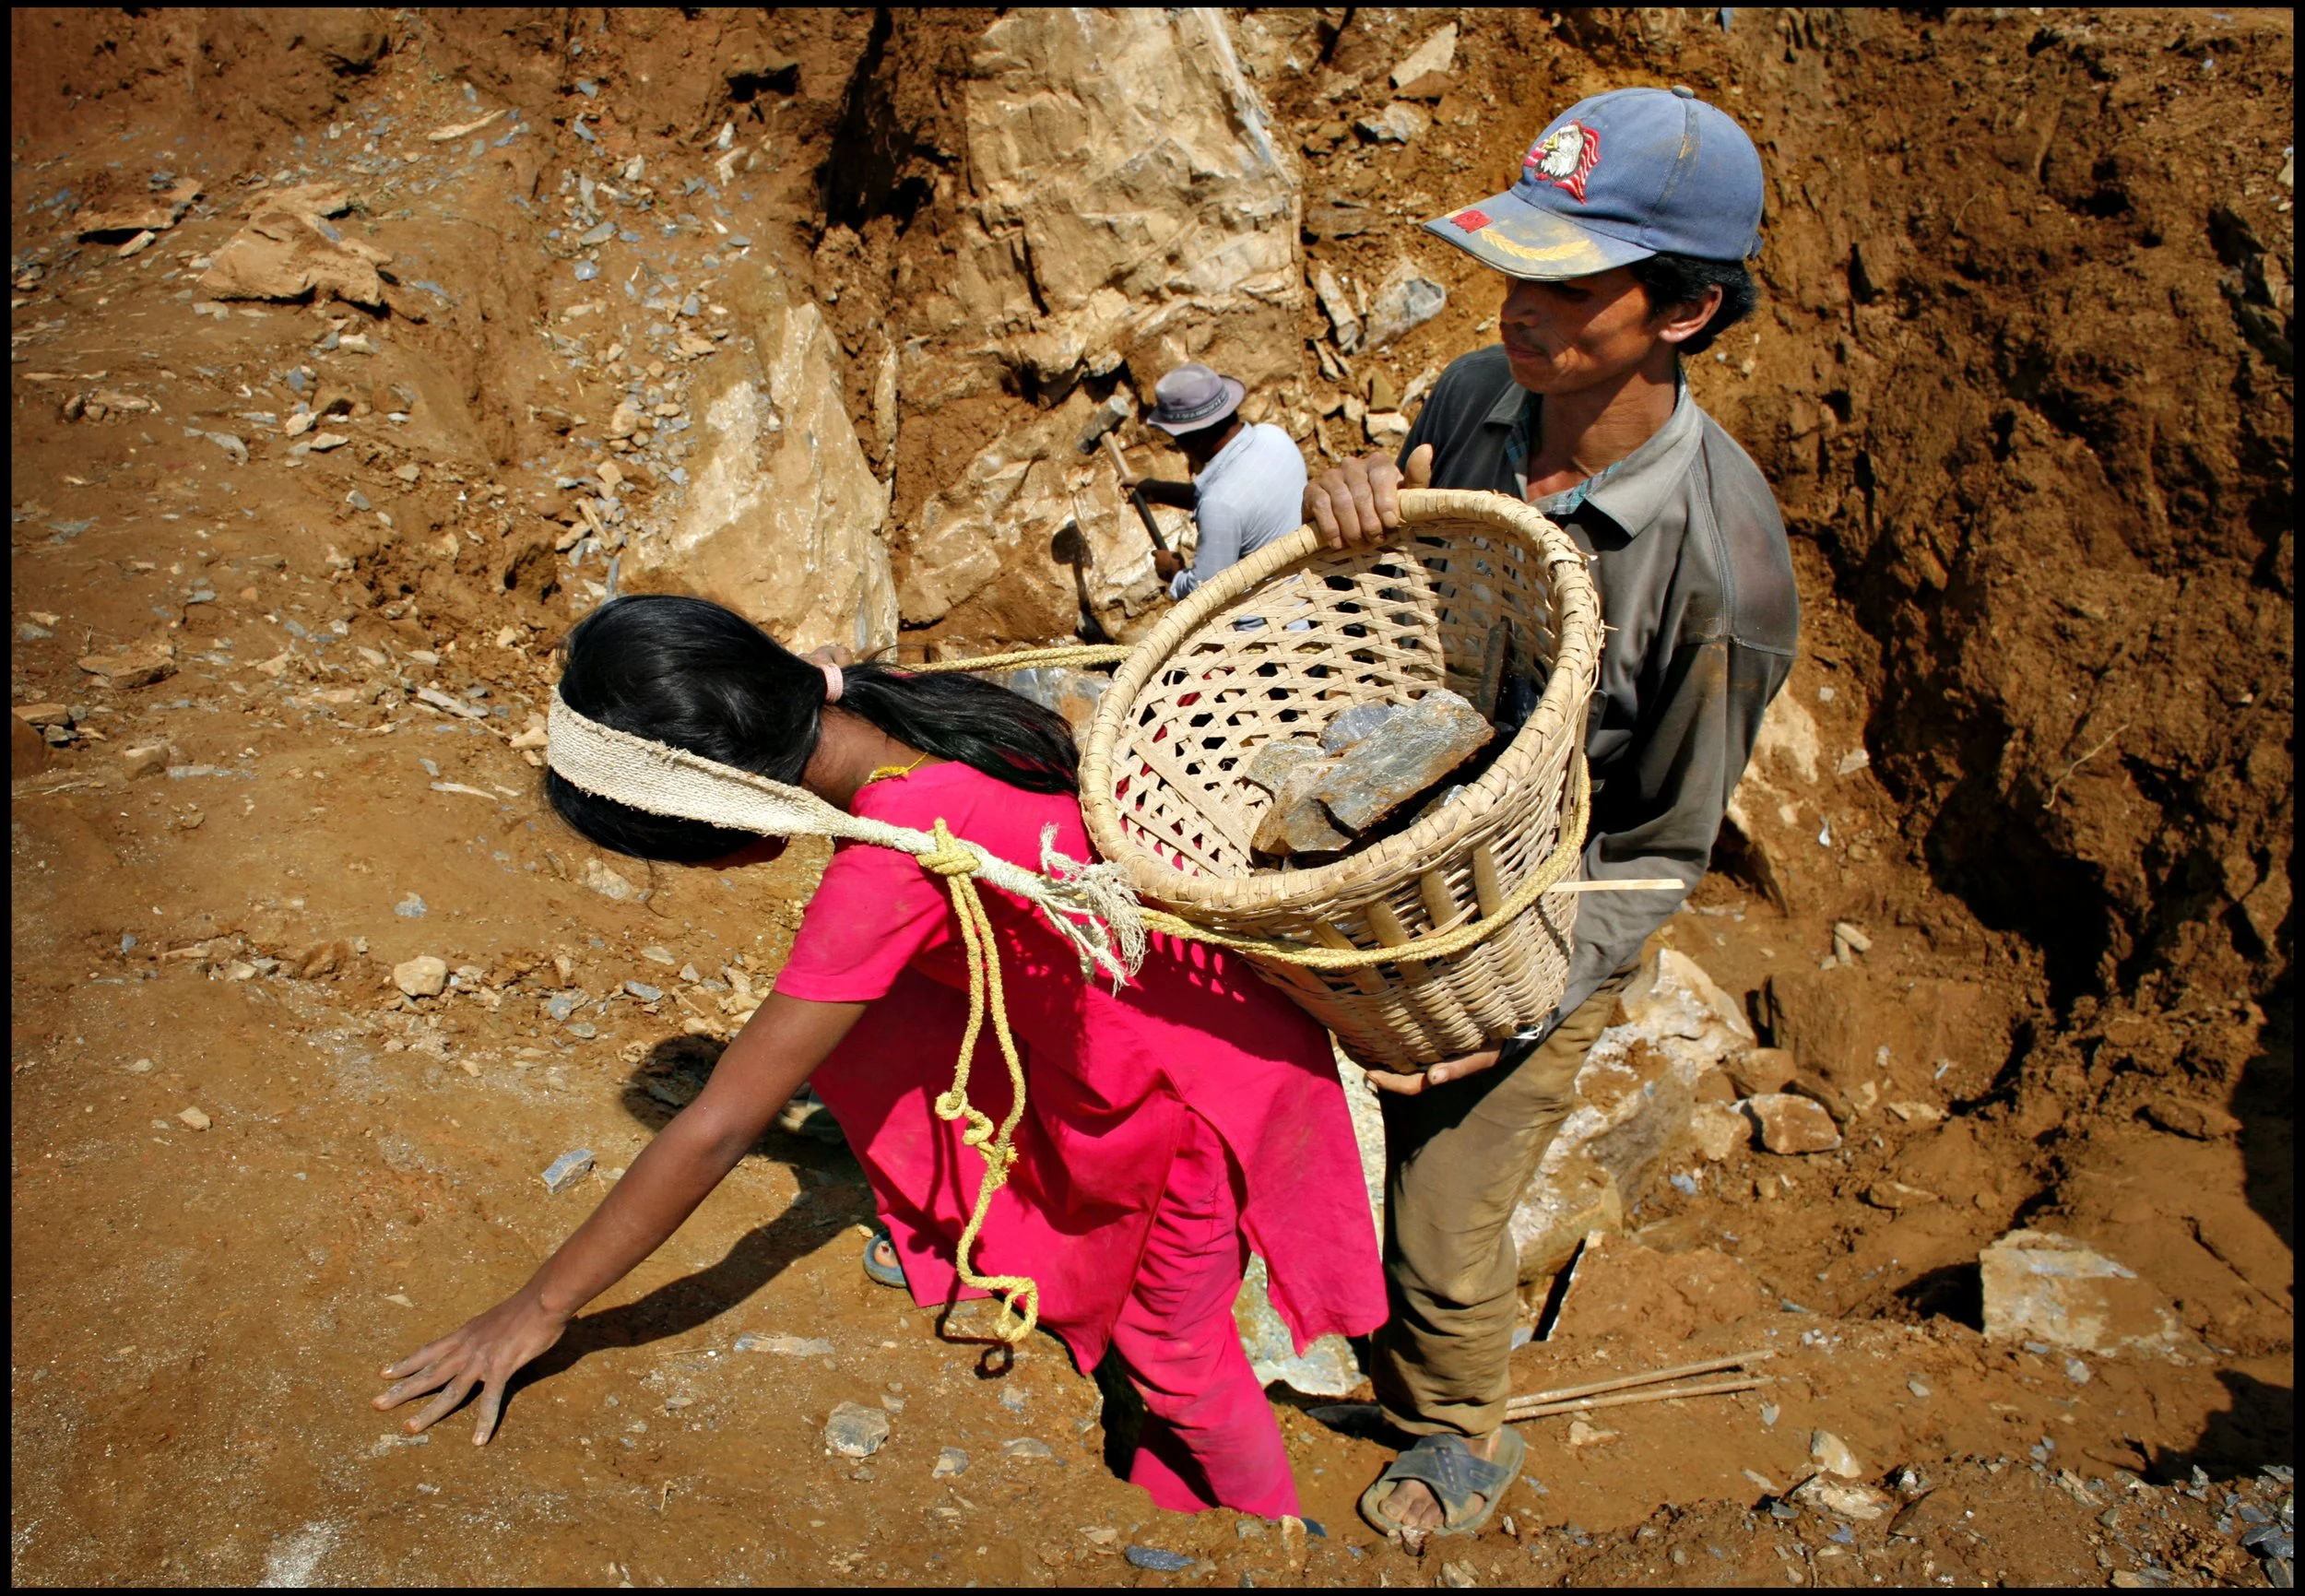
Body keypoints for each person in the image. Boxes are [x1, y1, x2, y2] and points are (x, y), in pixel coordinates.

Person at [368, 594, 1386, 1520]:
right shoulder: (906, 713)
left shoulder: (892, 862)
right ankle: (1176, 1489)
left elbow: (720, 1123)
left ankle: (1271, 1531)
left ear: (712, 799)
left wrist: (538, 1309)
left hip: (1193, 1097)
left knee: (1175, 1355)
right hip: (1172, 1039)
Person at [1303, 87, 1800, 1538]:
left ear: (1686, 311)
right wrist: (1355, 499)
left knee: (1448, 1207)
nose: (1522, 309)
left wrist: (1508, 1000)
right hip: (1400, 856)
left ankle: (1456, 1428)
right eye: (1515, 267)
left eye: (1570, 285)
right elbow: (1405, 600)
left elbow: (1658, 842)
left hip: (1539, 917)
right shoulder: (1473, 400)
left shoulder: (1723, 571)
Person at [1127, 361, 1308, 600]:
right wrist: (1156, 490)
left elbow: (1205, 594)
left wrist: (1174, 572)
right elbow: (1237, 499)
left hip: (1264, 628)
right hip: (1306, 596)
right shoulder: (1275, 436)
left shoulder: (1219, 504)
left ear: (1193, 440)